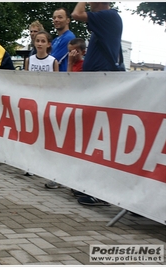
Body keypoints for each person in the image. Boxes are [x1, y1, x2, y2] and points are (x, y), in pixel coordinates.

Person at [69, 2, 123, 206]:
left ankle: (99, 190)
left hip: (105, 87)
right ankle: (90, 187)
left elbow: (76, 13)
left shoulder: (109, 16)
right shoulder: (104, 21)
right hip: (99, 87)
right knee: (93, 139)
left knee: (100, 140)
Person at [72, 2, 123, 72]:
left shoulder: (108, 16)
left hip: (101, 74)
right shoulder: (107, 18)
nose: (89, 3)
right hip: (98, 75)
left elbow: (77, 14)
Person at [51, 7, 76, 72]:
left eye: (60, 17)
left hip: (62, 77)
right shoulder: (55, 40)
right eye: (54, 18)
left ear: (68, 20)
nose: (56, 20)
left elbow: (52, 60)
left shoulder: (69, 37)